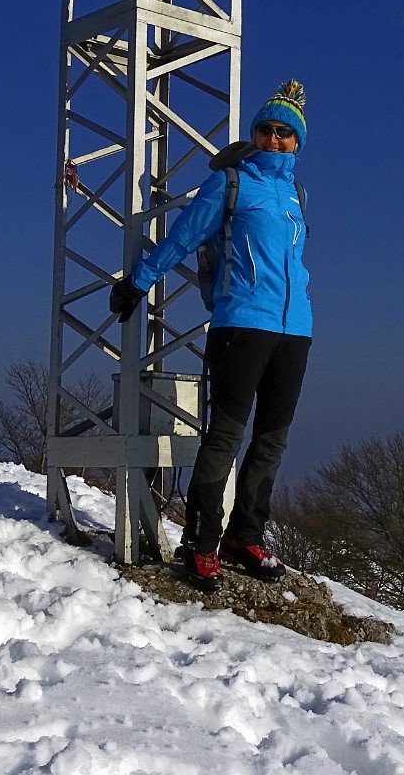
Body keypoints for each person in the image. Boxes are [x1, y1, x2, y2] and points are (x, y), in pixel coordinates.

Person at [110, 80, 313, 593]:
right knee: (225, 435)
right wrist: (138, 282)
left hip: (295, 331)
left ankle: (246, 537)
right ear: (255, 133)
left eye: (285, 133)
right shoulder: (230, 182)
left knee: (271, 440)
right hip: (240, 323)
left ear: (298, 143)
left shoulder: (297, 194)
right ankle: (201, 543)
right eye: (266, 129)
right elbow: (184, 237)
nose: (273, 138)